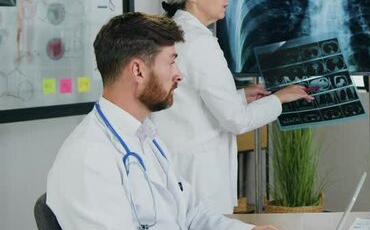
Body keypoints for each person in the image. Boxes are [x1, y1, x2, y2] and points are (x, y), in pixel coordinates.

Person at [46, 12, 276, 229]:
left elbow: (191, 215)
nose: (179, 74)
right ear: (138, 71)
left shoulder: (146, 137)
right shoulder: (89, 159)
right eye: (171, 62)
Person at [153, 0, 313, 214]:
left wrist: (238, 95)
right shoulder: (200, 42)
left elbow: (190, 100)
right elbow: (236, 121)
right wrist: (280, 98)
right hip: (199, 177)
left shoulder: (174, 33)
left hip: (178, 167)